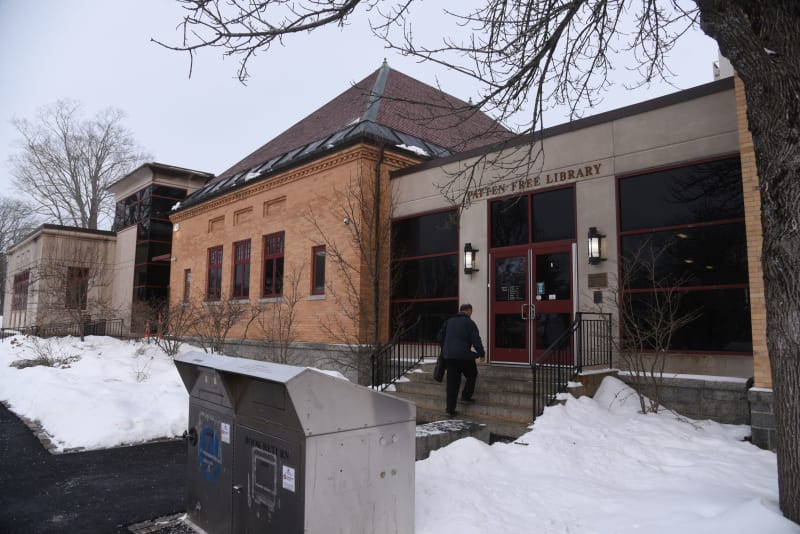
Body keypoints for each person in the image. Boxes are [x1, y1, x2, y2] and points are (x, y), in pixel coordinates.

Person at [436, 303, 485, 417]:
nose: (471, 314)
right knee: (472, 374)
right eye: (471, 312)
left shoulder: (448, 321)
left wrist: (447, 348)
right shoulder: (469, 322)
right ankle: (466, 397)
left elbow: (439, 337)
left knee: (452, 384)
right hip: (464, 356)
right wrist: (481, 353)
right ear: (468, 311)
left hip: (449, 357)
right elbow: (475, 340)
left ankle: (450, 410)